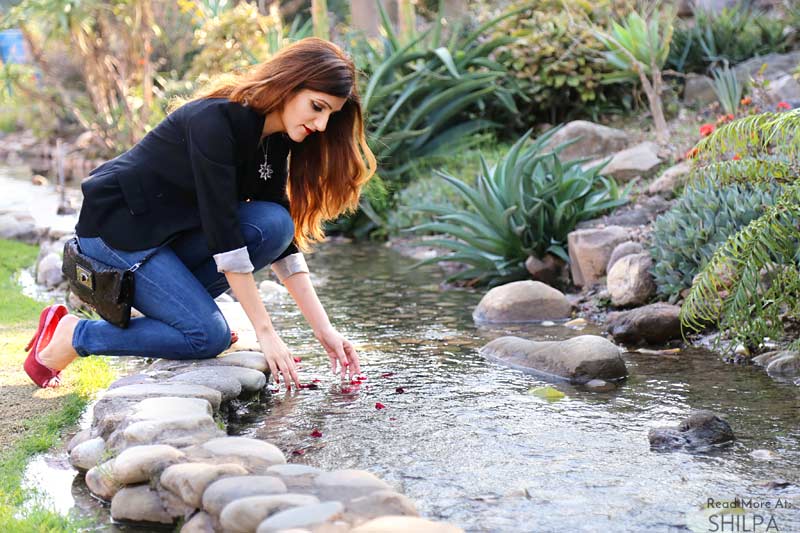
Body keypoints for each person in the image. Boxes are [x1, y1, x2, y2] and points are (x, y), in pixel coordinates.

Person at [23, 37, 376, 390]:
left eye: (330, 113)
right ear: (289, 84)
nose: (322, 124)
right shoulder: (216, 122)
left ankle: (182, 313)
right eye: (317, 107)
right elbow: (224, 235)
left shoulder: (275, 140)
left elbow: (282, 244)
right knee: (206, 337)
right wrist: (265, 332)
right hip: (117, 232)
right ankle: (74, 334)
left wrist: (324, 329)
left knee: (275, 224)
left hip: (164, 236)